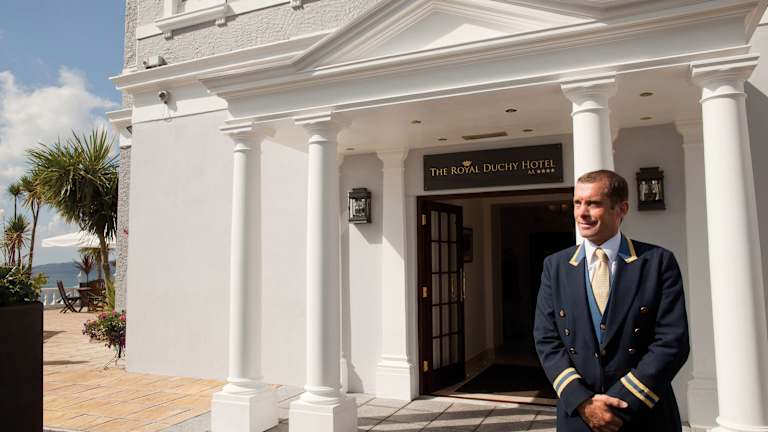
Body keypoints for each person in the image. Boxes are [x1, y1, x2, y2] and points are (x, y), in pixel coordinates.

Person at [533, 170, 689, 431]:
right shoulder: (556, 266)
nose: (581, 213)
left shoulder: (658, 263)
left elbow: (672, 342)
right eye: (577, 203)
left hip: (643, 413)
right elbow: (546, 339)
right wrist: (584, 403)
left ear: (622, 209)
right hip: (579, 414)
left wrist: (618, 403)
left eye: (593, 203)